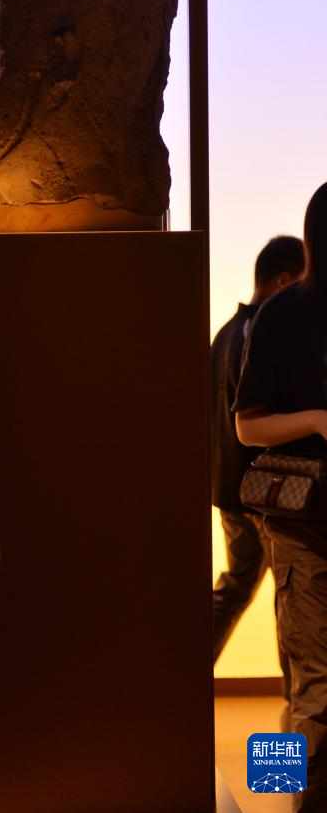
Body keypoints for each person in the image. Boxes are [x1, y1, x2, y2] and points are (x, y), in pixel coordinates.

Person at [235, 183, 327, 812]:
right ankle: (282, 795)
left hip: (263, 504)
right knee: (307, 682)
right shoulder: (273, 321)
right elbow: (243, 428)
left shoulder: (246, 326)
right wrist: (317, 420)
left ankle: (278, 794)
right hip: (283, 513)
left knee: (297, 676)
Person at [212, 235, 304, 661]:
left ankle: (186, 677)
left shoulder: (226, 334)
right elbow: (262, 421)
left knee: (236, 587)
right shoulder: (260, 334)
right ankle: (298, 693)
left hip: (227, 489)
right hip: (262, 493)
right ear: (284, 281)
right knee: (292, 599)